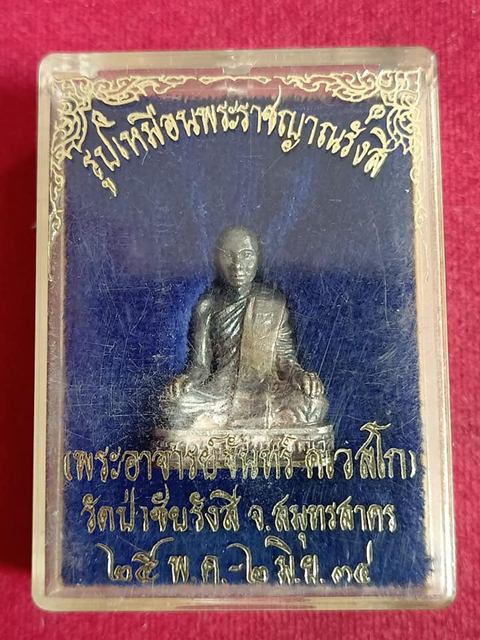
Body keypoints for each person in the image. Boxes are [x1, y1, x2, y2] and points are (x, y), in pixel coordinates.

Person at [161, 226, 328, 430]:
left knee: (315, 404)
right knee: (173, 406)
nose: (238, 265)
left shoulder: (273, 304)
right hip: (222, 394)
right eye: (228, 256)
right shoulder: (208, 306)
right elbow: (200, 366)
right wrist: (186, 381)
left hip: (267, 391)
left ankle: (220, 425)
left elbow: (285, 360)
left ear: (258, 259)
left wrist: (301, 376)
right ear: (217, 260)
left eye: (246, 255)